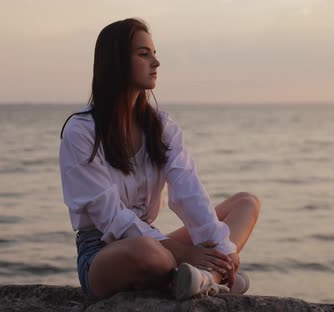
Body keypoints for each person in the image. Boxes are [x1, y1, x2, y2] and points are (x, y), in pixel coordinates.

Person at [59, 18, 260, 300]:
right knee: (151, 254)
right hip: (104, 253)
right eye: (144, 54)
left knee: (245, 203)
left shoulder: (161, 126)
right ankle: (200, 278)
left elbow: (189, 191)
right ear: (116, 61)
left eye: (154, 53)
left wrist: (222, 251)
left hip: (156, 242)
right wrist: (189, 253)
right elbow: (112, 219)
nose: (156, 62)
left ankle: (207, 279)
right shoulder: (81, 131)